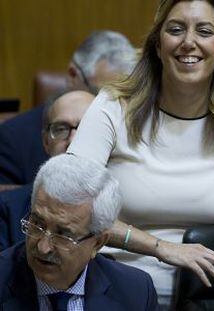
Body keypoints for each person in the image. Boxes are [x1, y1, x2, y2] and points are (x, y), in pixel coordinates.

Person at [67, 0, 214, 308]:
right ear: (158, 46)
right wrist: (162, 248)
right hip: (113, 290)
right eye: (175, 30)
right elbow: (69, 203)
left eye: (204, 31)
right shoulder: (113, 107)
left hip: (207, 297)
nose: (189, 42)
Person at [0, 154, 159, 310]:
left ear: (97, 243)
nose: (43, 247)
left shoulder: (135, 293)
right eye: (37, 224)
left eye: (63, 235)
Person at [0, 30, 137, 185]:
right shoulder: (13, 139)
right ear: (73, 76)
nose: (113, 107)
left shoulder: (136, 130)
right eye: (102, 95)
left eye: (124, 96)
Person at [0, 90, 95, 251]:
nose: (72, 140)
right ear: (46, 142)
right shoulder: (8, 210)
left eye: (85, 128)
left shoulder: (134, 205)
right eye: (61, 129)